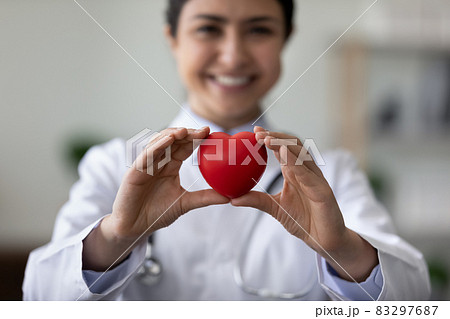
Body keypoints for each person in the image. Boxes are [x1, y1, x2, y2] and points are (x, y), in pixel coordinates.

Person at [23, 0, 430, 300]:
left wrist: (343, 249)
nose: (233, 55)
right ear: (173, 39)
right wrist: (114, 239)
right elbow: (39, 299)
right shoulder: (113, 163)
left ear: (284, 40)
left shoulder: (331, 170)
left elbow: (413, 302)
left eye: (259, 30)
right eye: (208, 29)